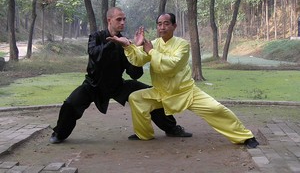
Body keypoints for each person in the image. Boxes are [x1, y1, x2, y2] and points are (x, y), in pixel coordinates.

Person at [108, 12, 259, 149]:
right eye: (159, 24)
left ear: (174, 26)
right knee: (136, 98)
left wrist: (150, 51)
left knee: (216, 109)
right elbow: (138, 60)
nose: (162, 27)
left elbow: (171, 66)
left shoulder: (182, 45)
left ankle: (245, 137)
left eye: (166, 23)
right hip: (161, 92)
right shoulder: (153, 44)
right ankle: (144, 134)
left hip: (185, 92)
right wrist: (129, 46)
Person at [49, 8, 192, 144]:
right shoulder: (96, 37)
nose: (123, 22)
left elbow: (135, 74)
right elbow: (95, 55)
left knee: (150, 96)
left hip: (117, 85)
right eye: (119, 19)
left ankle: (172, 128)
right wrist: (115, 43)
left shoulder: (125, 44)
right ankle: (59, 134)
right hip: (93, 85)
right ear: (109, 20)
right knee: (70, 104)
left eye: (124, 19)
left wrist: (136, 49)